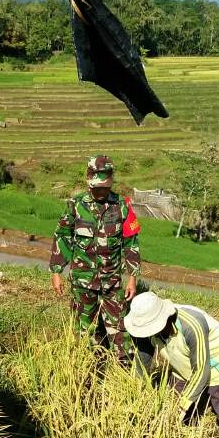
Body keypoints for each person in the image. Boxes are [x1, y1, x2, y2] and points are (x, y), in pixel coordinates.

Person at [49, 155, 141, 362]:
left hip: (112, 281)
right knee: (82, 329)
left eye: (105, 188)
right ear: (88, 181)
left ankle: (124, 371)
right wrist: (56, 271)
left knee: (120, 329)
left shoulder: (122, 206)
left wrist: (133, 277)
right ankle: (84, 366)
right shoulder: (76, 205)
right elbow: (62, 236)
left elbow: (131, 242)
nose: (101, 192)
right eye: (97, 188)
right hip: (83, 280)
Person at [125, 291, 219, 438]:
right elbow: (143, 357)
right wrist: (136, 387)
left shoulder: (191, 325)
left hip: (217, 364)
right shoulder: (146, 327)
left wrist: (184, 403)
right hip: (182, 364)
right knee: (178, 407)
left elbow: (201, 369)